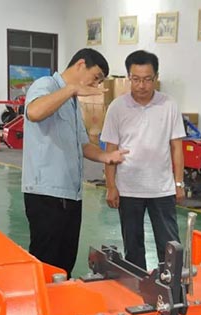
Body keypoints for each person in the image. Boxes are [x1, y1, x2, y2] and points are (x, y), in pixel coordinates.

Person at [22, 48, 128, 277]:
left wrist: (107, 157)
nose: (96, 85)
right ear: (81, 64)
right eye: (96, 77)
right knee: (46, 262)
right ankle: (44, 299)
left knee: (65, 261)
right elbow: (34, 112)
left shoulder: (72, 103)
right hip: (46, 194)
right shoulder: (46, 85)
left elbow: (83, 144)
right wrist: (72, 89)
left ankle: (61, 299)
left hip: (71, 194)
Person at [102, 50, 186, 270]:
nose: (141, 85)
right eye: (136, 79)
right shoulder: (117, 107)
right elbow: (110, 150)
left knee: (169, 246)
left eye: (147, 79)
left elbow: (177, 147)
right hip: (128, 189)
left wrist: (178, 183)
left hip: (162, 190)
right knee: (133, 247)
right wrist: (111, 186)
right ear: (128, 77)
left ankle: (172, 285)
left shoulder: (169, 105)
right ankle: (136, 284)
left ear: (156, 77)